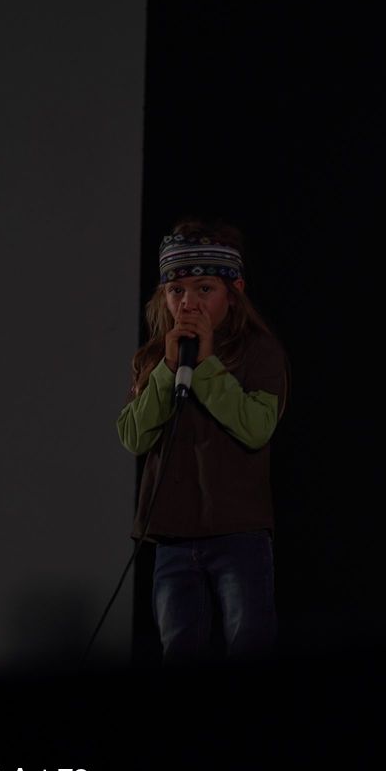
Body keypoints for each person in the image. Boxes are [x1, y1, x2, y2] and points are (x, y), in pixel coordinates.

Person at [116, 218, 289, 665]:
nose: (188, 302)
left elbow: (257, 426)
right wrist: (167, 369)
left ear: (234, 291)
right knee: (179, 650)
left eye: (204, 289)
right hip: (172, 538)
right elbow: (133, 435)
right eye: (176, 290)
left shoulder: (259, 351)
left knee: (249, 646)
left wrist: (207, 365)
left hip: (239, 534)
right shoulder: (156, 357)